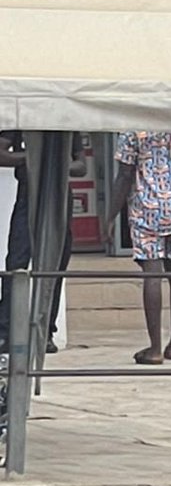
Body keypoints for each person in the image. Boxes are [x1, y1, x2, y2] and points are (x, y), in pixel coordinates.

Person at [100, 132, 171, 366]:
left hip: (147, 208)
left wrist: (110, 216)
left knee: (152, 274)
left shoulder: (133, 130)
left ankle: (155, 349)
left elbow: (125, 174)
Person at [0, 131, 86, 354]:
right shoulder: (24, 119)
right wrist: (31, 157)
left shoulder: (66, 127)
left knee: (54, 264)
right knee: (16, 262)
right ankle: (7, 331)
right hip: (28, 192)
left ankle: (46, 331)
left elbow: (81, 165)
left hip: (58, 195)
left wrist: (57, 164)